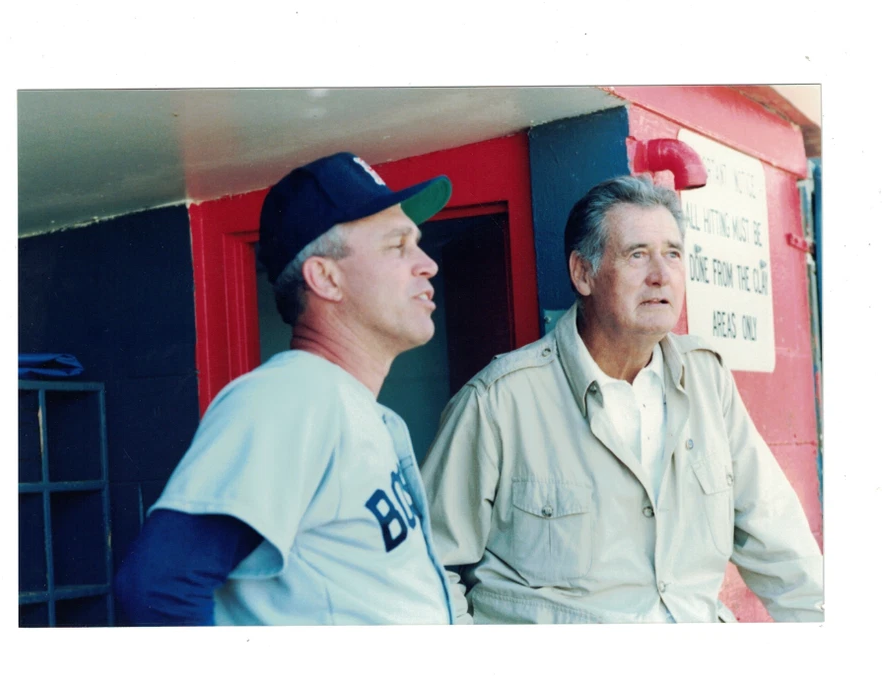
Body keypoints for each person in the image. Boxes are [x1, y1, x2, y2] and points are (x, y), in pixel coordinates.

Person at [420, 175, 824, 624]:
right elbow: (426, 573)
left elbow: (779, 541)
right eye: (637, 255)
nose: (661, 274)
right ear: (583, 273)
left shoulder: (708, 379)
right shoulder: (499, 400)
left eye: (672, 253)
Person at [114, 152, 455, 625]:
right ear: (326, 278)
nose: (427, 265)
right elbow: (158, 586)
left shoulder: (350, 405)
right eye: (398, 246)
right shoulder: (293, 395)